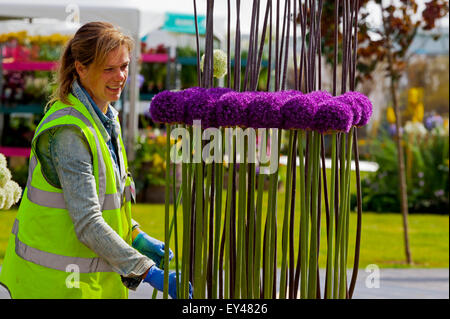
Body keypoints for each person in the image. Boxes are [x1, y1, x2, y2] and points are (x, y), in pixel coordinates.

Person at [0, 21, 192, 299]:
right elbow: (88, 222)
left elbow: (106, 202)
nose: (120, 77)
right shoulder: (69, 131)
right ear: (81, 68)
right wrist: (148, 271)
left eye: (124, 66)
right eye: (109, 69)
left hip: (88, 286)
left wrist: (135, 235)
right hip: (51, 287)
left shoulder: (106, 118)